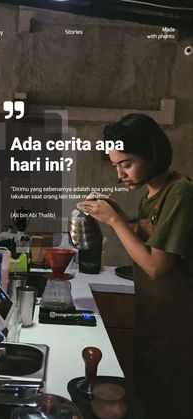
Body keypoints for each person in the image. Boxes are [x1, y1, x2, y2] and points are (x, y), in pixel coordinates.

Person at [77, 114, 193, 419]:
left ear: (152, 155)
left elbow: (156, 265)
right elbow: (143, 235)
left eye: (126, 164)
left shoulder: (180, 192)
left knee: (171, 405)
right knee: (148, 399)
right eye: (116, 165)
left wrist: (114, 221)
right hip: (153, 323)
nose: (120, 174)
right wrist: (115, 211)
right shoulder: (152, 193)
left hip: (178, 330)